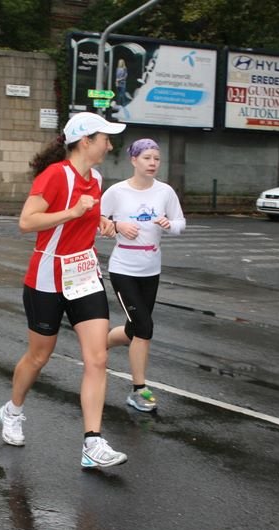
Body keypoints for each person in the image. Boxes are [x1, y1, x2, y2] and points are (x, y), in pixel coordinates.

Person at [0, 112, 128, 470]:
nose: (110, 145)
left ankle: (93, 442)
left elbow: (86, 217)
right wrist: (72, 212)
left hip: (84, 273)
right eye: (106, 138)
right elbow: (26, 222)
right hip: (47, 276)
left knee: (98, 357)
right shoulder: (55, 176)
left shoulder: (96, 178)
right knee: (39, 357)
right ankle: (13, 410)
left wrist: (101, 221)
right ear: (86, 141)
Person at [101, 139, 186, 412]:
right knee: (145, 327)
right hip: (123, 268)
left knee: (133, 329)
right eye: (147, 158)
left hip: (151, 268)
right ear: (134, 160)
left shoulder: (165, 192)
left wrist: (169, 224)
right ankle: (139, 390)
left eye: (156, 159)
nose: (152, 163)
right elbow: (93, 221)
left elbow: (180, 224)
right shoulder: (117, 192)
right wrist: (117, 225)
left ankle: (98, 345)